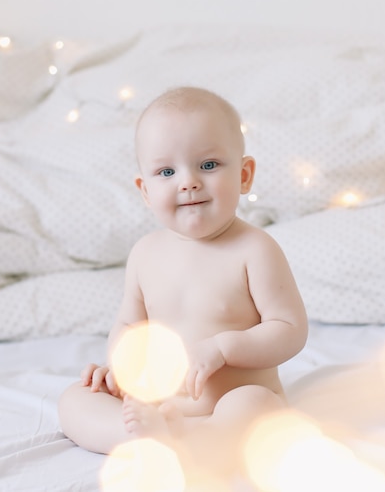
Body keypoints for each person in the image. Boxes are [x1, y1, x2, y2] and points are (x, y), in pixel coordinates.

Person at [58, 86, 308, 479]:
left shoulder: (255, 250)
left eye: (208, 165)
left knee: (258, 407)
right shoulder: (144, 253)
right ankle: (138, 437)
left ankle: (196, 440)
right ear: (145, 190)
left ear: (244, 175)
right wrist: (118, 369)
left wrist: (224, 348)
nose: (188, 182)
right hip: (155, 403)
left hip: (228, 401)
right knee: (75, 400)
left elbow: (289, 330)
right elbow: (129, 324)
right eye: (167, 172)